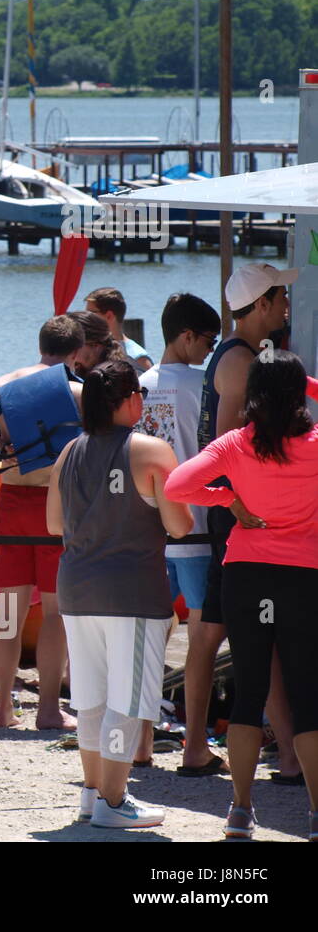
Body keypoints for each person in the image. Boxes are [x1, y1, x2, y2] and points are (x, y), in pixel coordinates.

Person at [166, 351, 318, 840]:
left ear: (253, 396)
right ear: (299, 396)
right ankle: (316, 813)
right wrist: (302, 383)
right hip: (303, 577)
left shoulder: (236, 443)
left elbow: (177, 485)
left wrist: (226, 498)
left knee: (250, 691)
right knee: (308, 694)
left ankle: (240, 809)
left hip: (247, 573)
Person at [46, 360, 193, 828]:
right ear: (128, 399)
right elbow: (180, 524)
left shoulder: (68, 451)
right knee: (127, 705)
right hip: (130, 592)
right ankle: (113, 799)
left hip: (76, 587)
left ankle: (94, 795)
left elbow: (54, 524)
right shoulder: (152, 450)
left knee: (90, 700)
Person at [0, 315, 84, 730]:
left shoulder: (7, 382)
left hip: (11, 500)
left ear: (40, 345)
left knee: (8, 613)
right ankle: (47, 709)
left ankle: (4, 710)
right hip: (56, 506)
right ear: (77, 353)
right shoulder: (78, 390)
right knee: (54, 612)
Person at [198, 262, 301, 783]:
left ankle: (208, 743)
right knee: (265, 636)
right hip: (242, 519)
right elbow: (223, 446)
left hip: (240, 516)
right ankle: (287, 752)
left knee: (225, 630)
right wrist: (240, 507)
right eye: (281, 295)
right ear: (261, 304)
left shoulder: (237, 354)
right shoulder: (240, 361)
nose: (287, 304)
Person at [134, 292, 225, 774]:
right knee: (202, 645)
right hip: (197, 525)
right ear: (186, 336)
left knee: (147, 638)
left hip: (149, 530)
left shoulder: (139, 384)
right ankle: (194, 746)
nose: (211, 351)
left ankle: (141, 744)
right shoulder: (205, 385)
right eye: (208, 341)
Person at [85, 286, 153, 371]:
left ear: (109, 316)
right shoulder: (90, 351)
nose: (86, 317)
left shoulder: (137, 358)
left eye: (91, 313)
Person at [65, 309, 121, 377]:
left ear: (96, 345)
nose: (66, 352)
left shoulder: (118, 375)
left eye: (72, 345)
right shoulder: (77, 371)